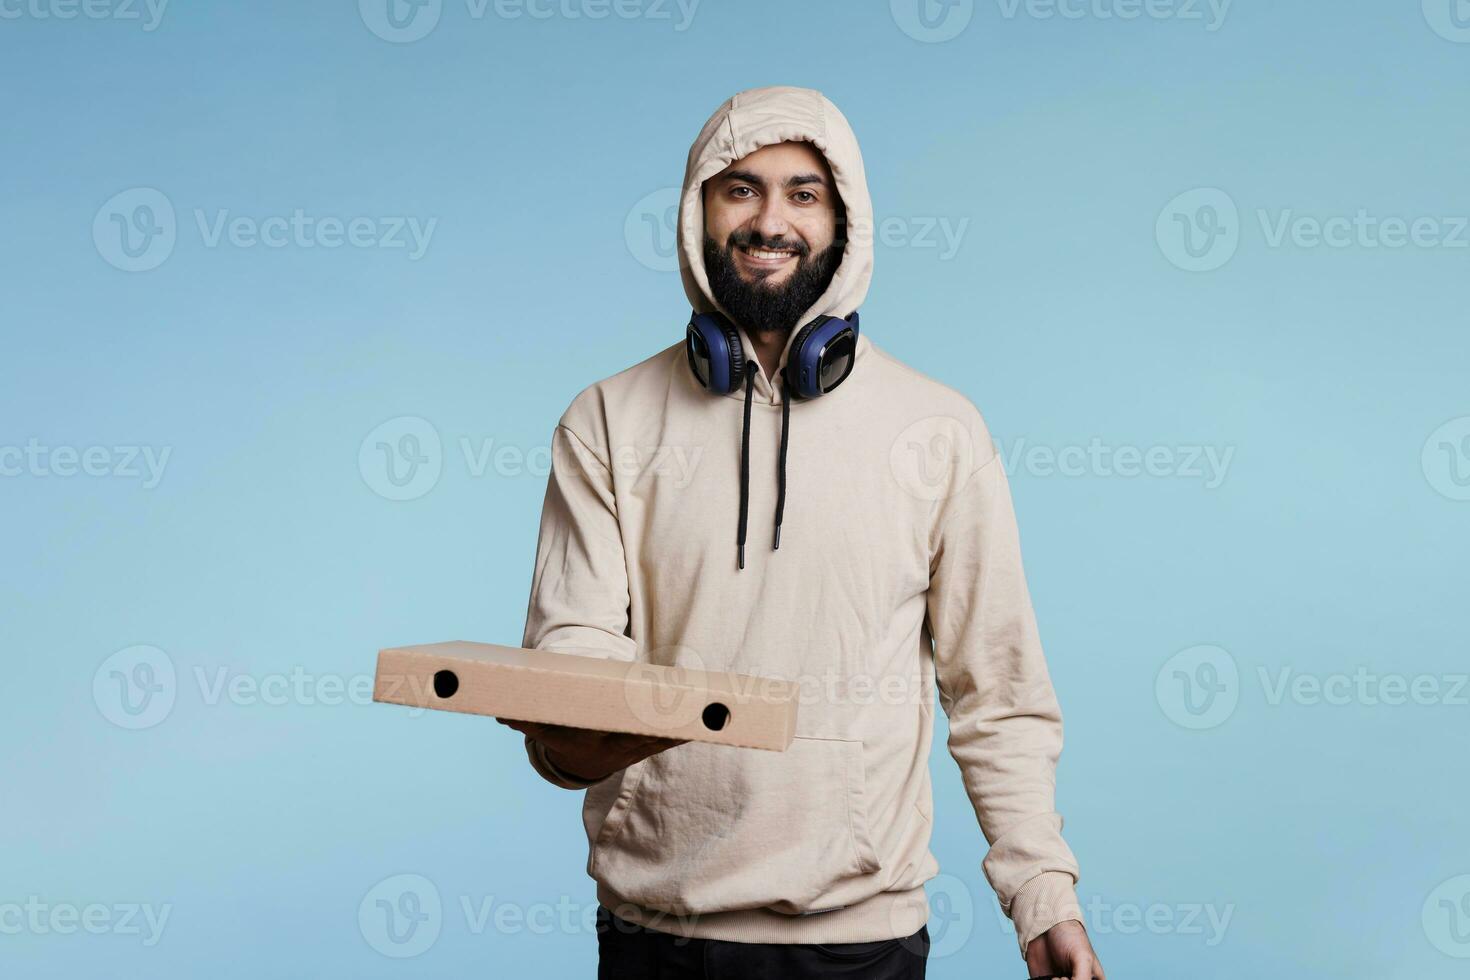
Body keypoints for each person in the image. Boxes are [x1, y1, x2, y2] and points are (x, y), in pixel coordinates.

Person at [497, 85, 1104, 980]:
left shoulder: (937, 430)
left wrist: (1042, 895)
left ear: (845, 219)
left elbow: (997, 694)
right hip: (656, 933)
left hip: (862, 939)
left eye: (802, 193)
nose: (768, 219)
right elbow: (575, 650)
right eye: (738, 188)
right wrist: (567, 731)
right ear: (698, 211)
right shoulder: (607, 420)